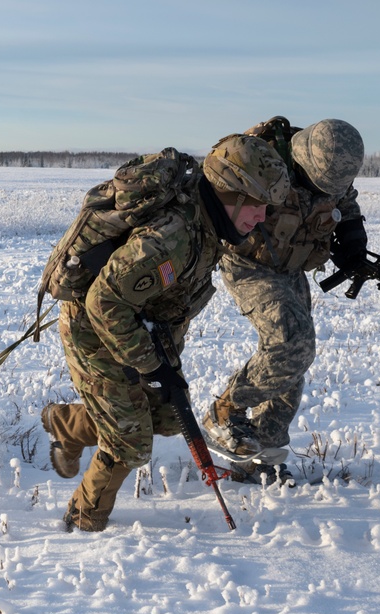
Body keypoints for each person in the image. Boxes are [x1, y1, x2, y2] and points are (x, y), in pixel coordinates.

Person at [41, 134, 290, 532]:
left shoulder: (208, 222)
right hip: (96, 328)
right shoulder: (173, 238)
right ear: (230, 195)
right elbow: (104, 304)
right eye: (258, 206)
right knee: (130, 442)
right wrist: (152, 365)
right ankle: (83, 524)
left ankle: (68, 425)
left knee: (170, 416)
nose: (262, 217)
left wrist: (160, 364)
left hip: (140, 326)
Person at [201, 117, 368, 484]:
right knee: (293, 344)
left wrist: (354, 243)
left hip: (290, 264)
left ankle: (262, 457)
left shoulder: (334, 165)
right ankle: (225, 411)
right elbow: (214, 196)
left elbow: (346, 202)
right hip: (249, 262)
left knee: (290, 364)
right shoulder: (262, 159)